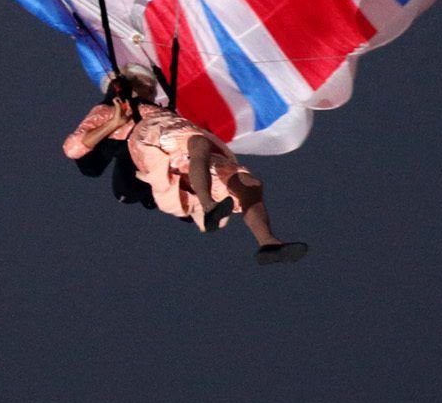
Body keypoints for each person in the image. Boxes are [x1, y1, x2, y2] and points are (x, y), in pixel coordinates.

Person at [63, 67, 310, 264]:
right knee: (197, 142)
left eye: (150, 84)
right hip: (149, 140)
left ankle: (267, 242)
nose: (149, 87)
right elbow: (73, 148)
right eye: (141, 82)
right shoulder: (111, 110)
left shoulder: (164, 109)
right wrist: (114, 122)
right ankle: (208, 205)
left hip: (181, 152)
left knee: (246, 183)